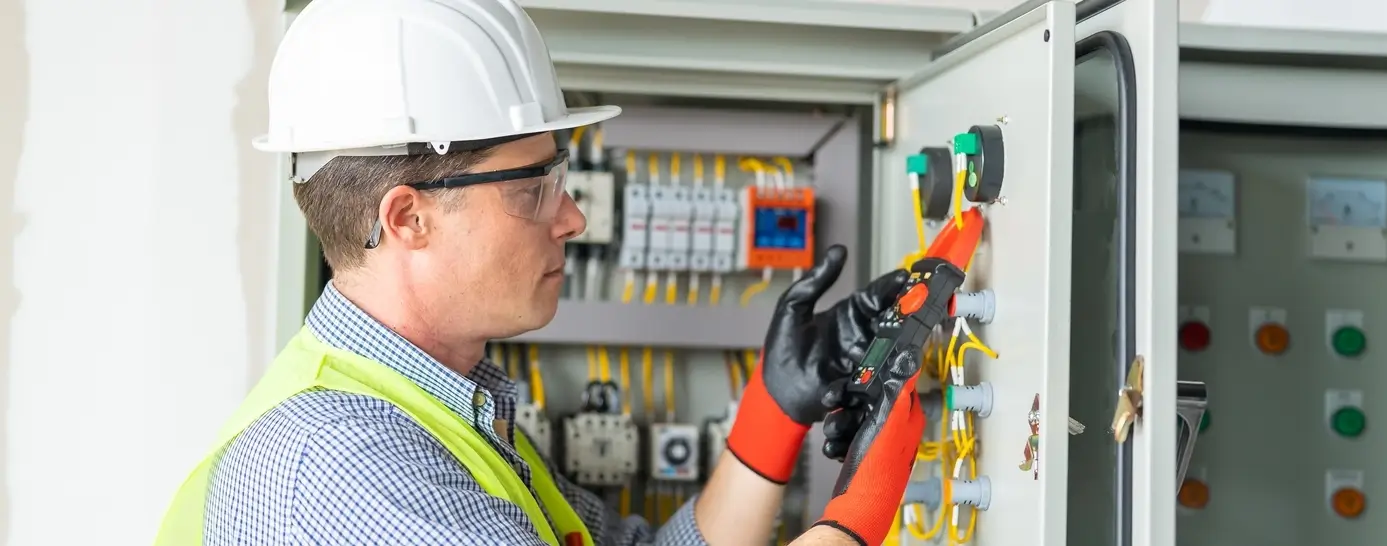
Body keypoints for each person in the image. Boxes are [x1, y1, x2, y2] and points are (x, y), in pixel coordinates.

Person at [153, 1, 928, 545]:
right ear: (406, 219)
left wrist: (773, 410)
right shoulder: (345, 465)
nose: (572, 218)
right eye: (532, 191)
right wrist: (853, 522)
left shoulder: (446, 416)